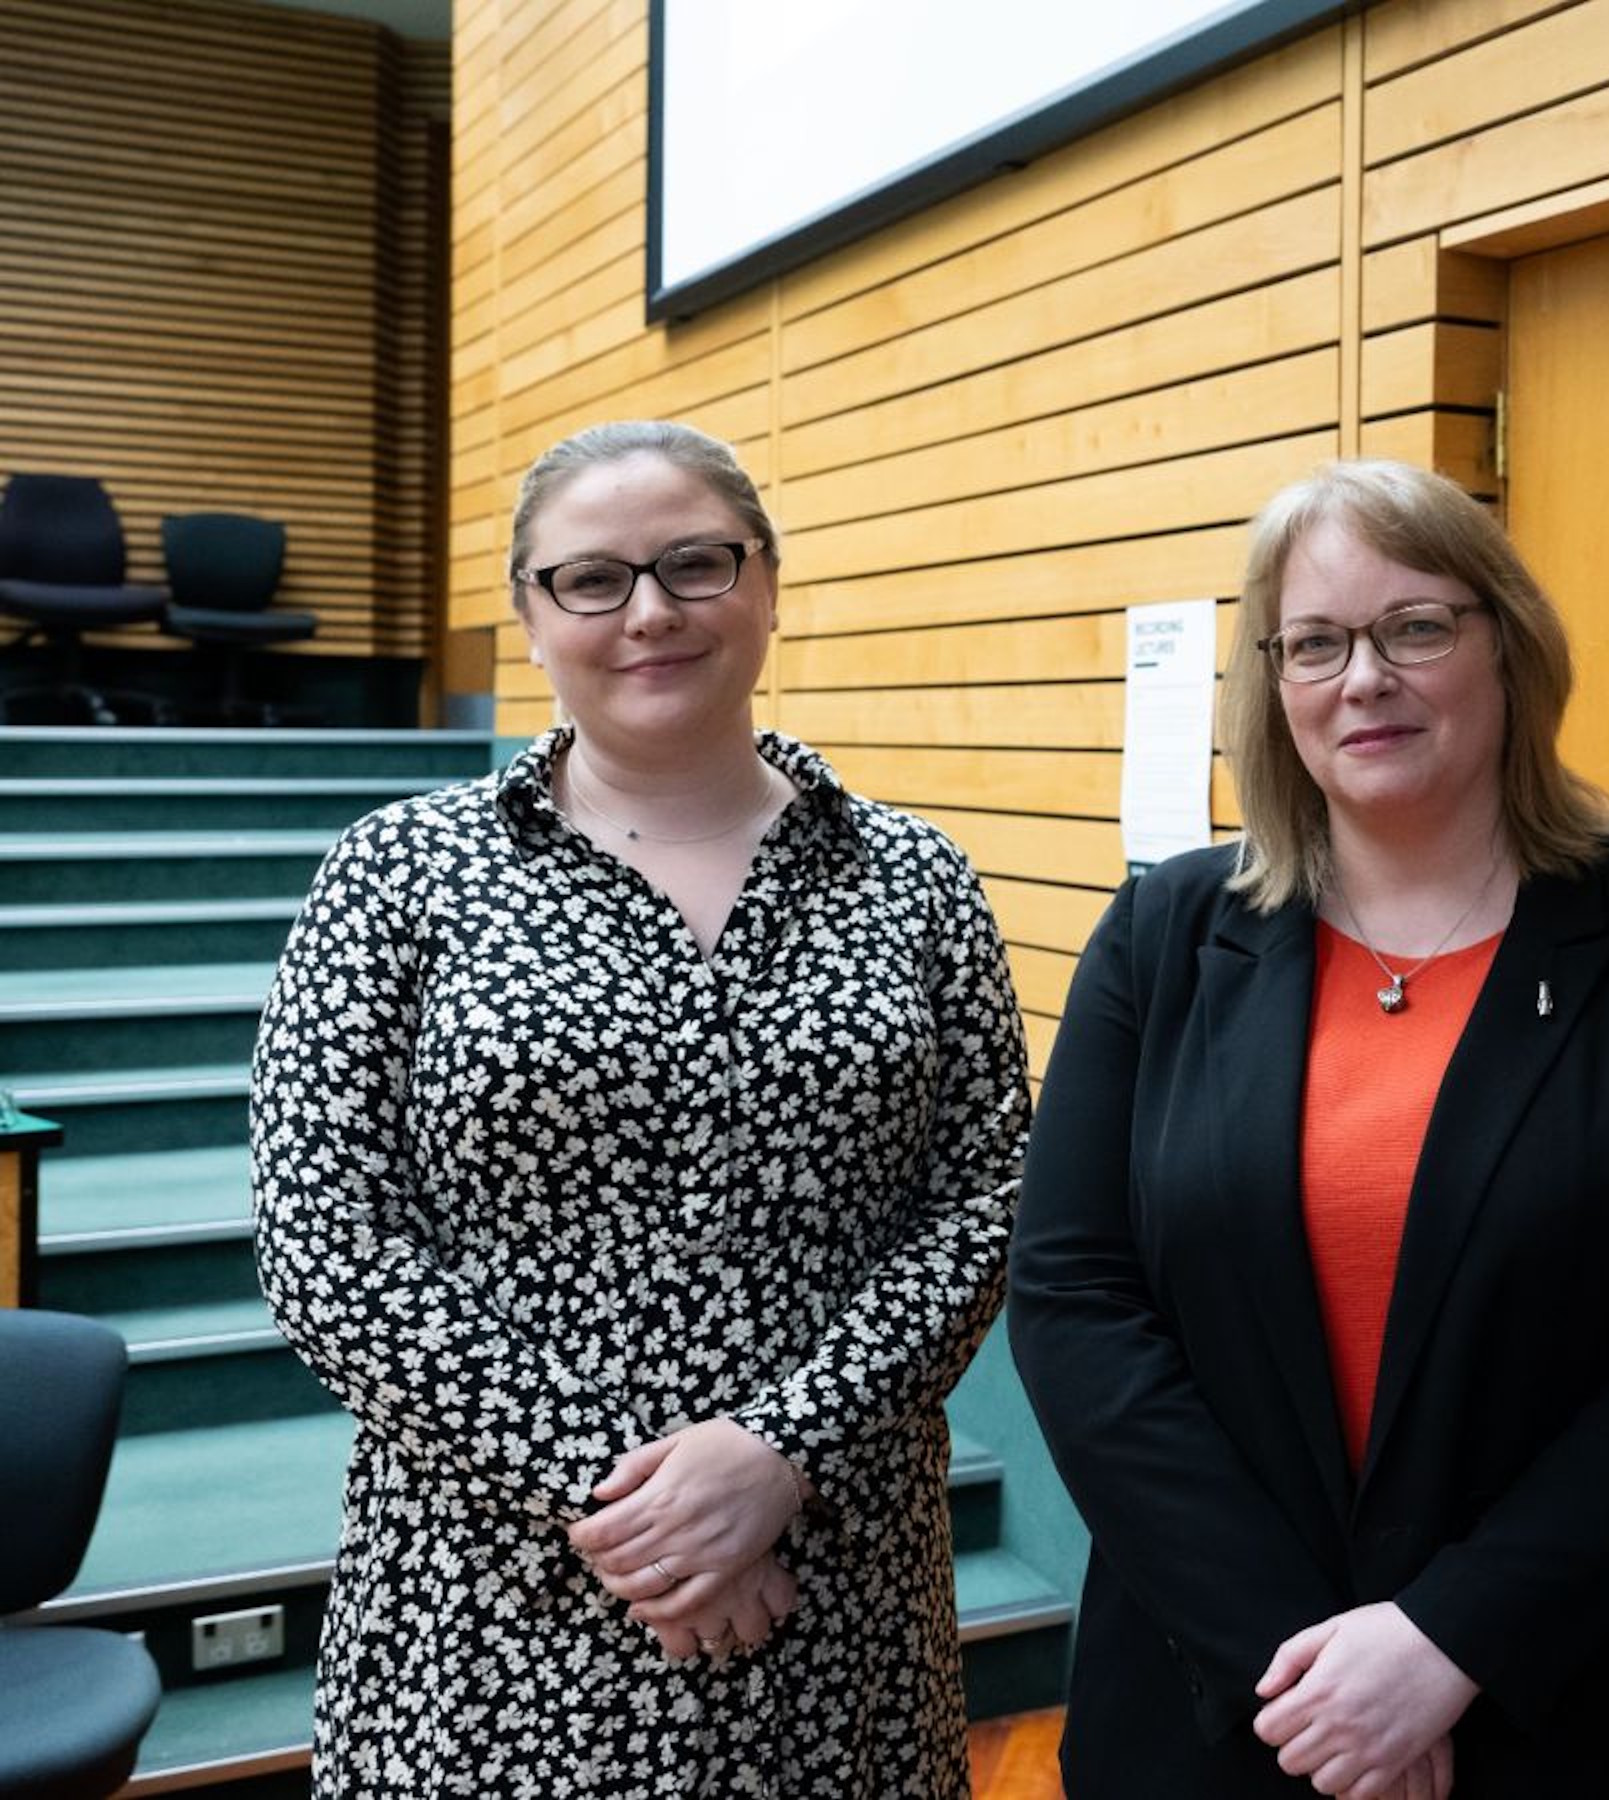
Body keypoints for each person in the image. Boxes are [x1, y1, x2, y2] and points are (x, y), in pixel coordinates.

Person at [249, 420, 1029, 1797]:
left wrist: (781, 1452)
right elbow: (325, 1245)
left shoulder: (915, 878)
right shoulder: (398, 876)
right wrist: (641, 1510)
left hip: (833, 1589)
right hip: (491, 1605)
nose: (651, 612)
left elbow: (984, 1205)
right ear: (531, 618)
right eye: (593, 580)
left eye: (695, 564)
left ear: (768, 584)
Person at [1008, 459, 1609, 1797]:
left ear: (1507, 647)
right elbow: (1073, 1301)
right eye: (1316, 643)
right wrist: (1301, 1665)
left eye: (1416, 627)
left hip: (1531, 1709)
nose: (1364, 678)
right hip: (1210, 1708)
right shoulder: (1166, 938)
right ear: (1274, 683)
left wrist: (1448, 1639)